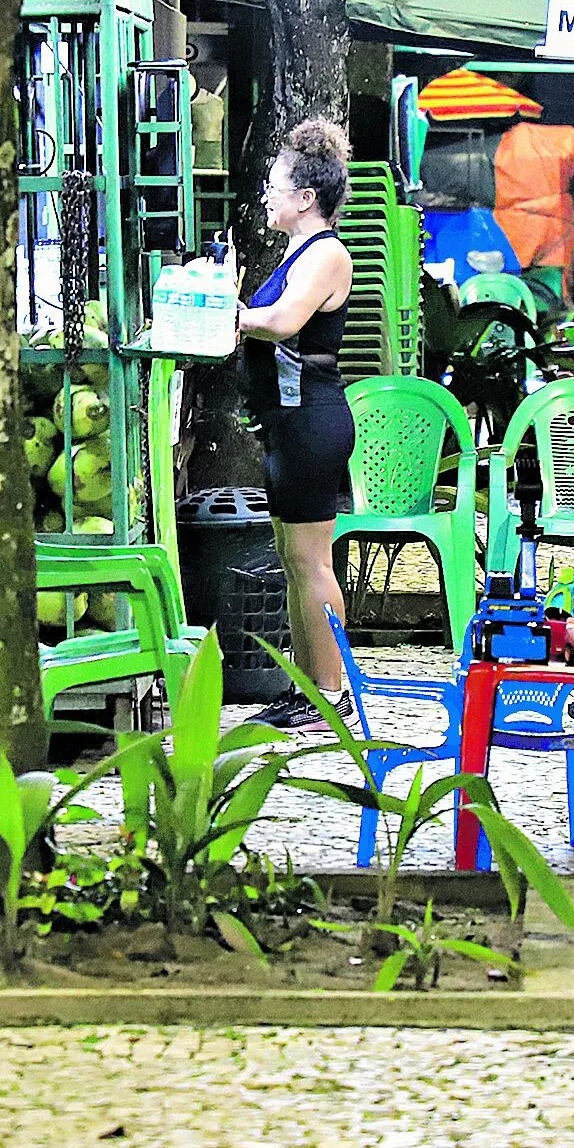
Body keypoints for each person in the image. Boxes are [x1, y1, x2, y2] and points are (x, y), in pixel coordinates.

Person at [235, 118, 360, 732]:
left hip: (312, 422)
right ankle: (305, 685)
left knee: (313, 563)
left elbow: (284, 320)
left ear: (306, 198)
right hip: (287, 423)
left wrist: (230, 313)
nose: (267, 194)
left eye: (276, 185)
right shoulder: (296, 250)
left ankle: (331, 693)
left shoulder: (328, 253)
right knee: (292, 559)